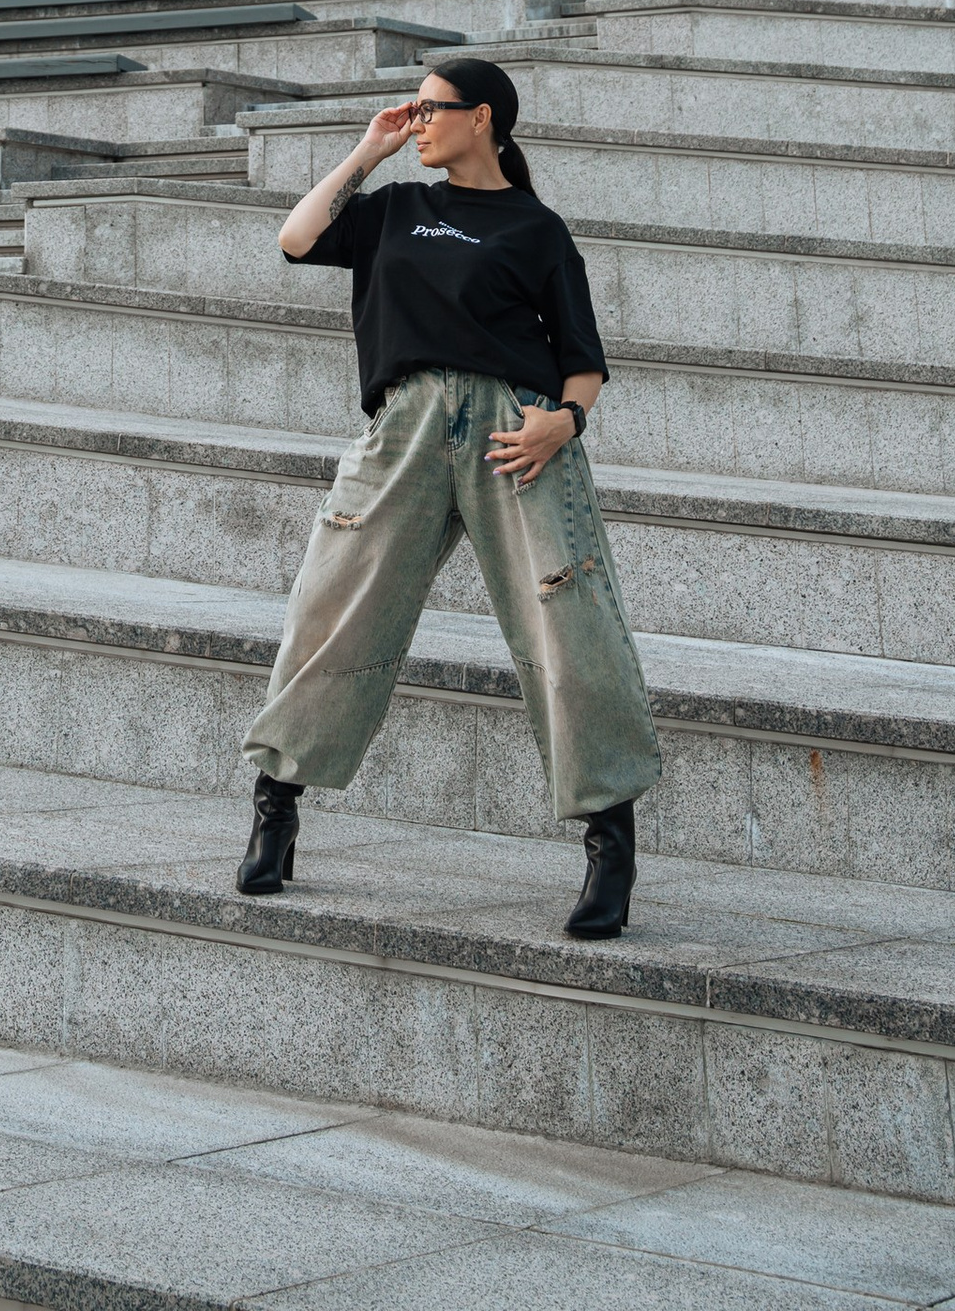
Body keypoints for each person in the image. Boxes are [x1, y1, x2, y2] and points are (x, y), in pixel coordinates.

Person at [235, 50, 663, 940]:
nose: (417, 120)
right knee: (332, 612)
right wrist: (366, 153)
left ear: (484, 121)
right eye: (414, 108)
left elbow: (583, 362)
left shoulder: (537, 230)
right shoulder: (393, 208)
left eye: (433, 109)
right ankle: (276, 809)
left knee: (570, 626)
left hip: (519, 438)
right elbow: (297, 238)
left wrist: (565, 423)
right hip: (404, 431)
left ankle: (609, 844)